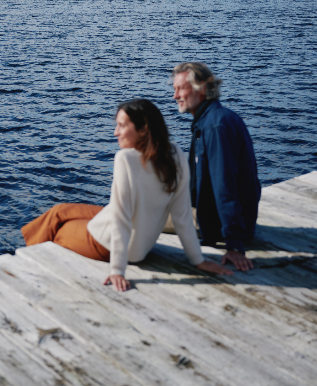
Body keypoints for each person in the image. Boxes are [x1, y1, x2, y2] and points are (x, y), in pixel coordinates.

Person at [22, 99, 232, 291]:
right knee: (59, 210)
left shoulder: (126, 159)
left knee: (56, 226)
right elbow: (182, 216)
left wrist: (117, 271)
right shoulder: (175, 153)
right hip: (140, 245)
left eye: (122, 126)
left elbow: (122, 221)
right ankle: (28, 252)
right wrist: (198, 260)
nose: (116, 132)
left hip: (103, 243)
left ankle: (26, 265)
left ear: (143, 130)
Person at [172, 62, 261, 272]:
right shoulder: (211, 119)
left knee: (138, 214)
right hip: (215, 217)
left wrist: (234, 245)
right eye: (174, 89)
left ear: (202, 88)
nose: (175, 96)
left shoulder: (215, 127)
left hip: (216, 225)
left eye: (181, 88)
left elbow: (225, 186)